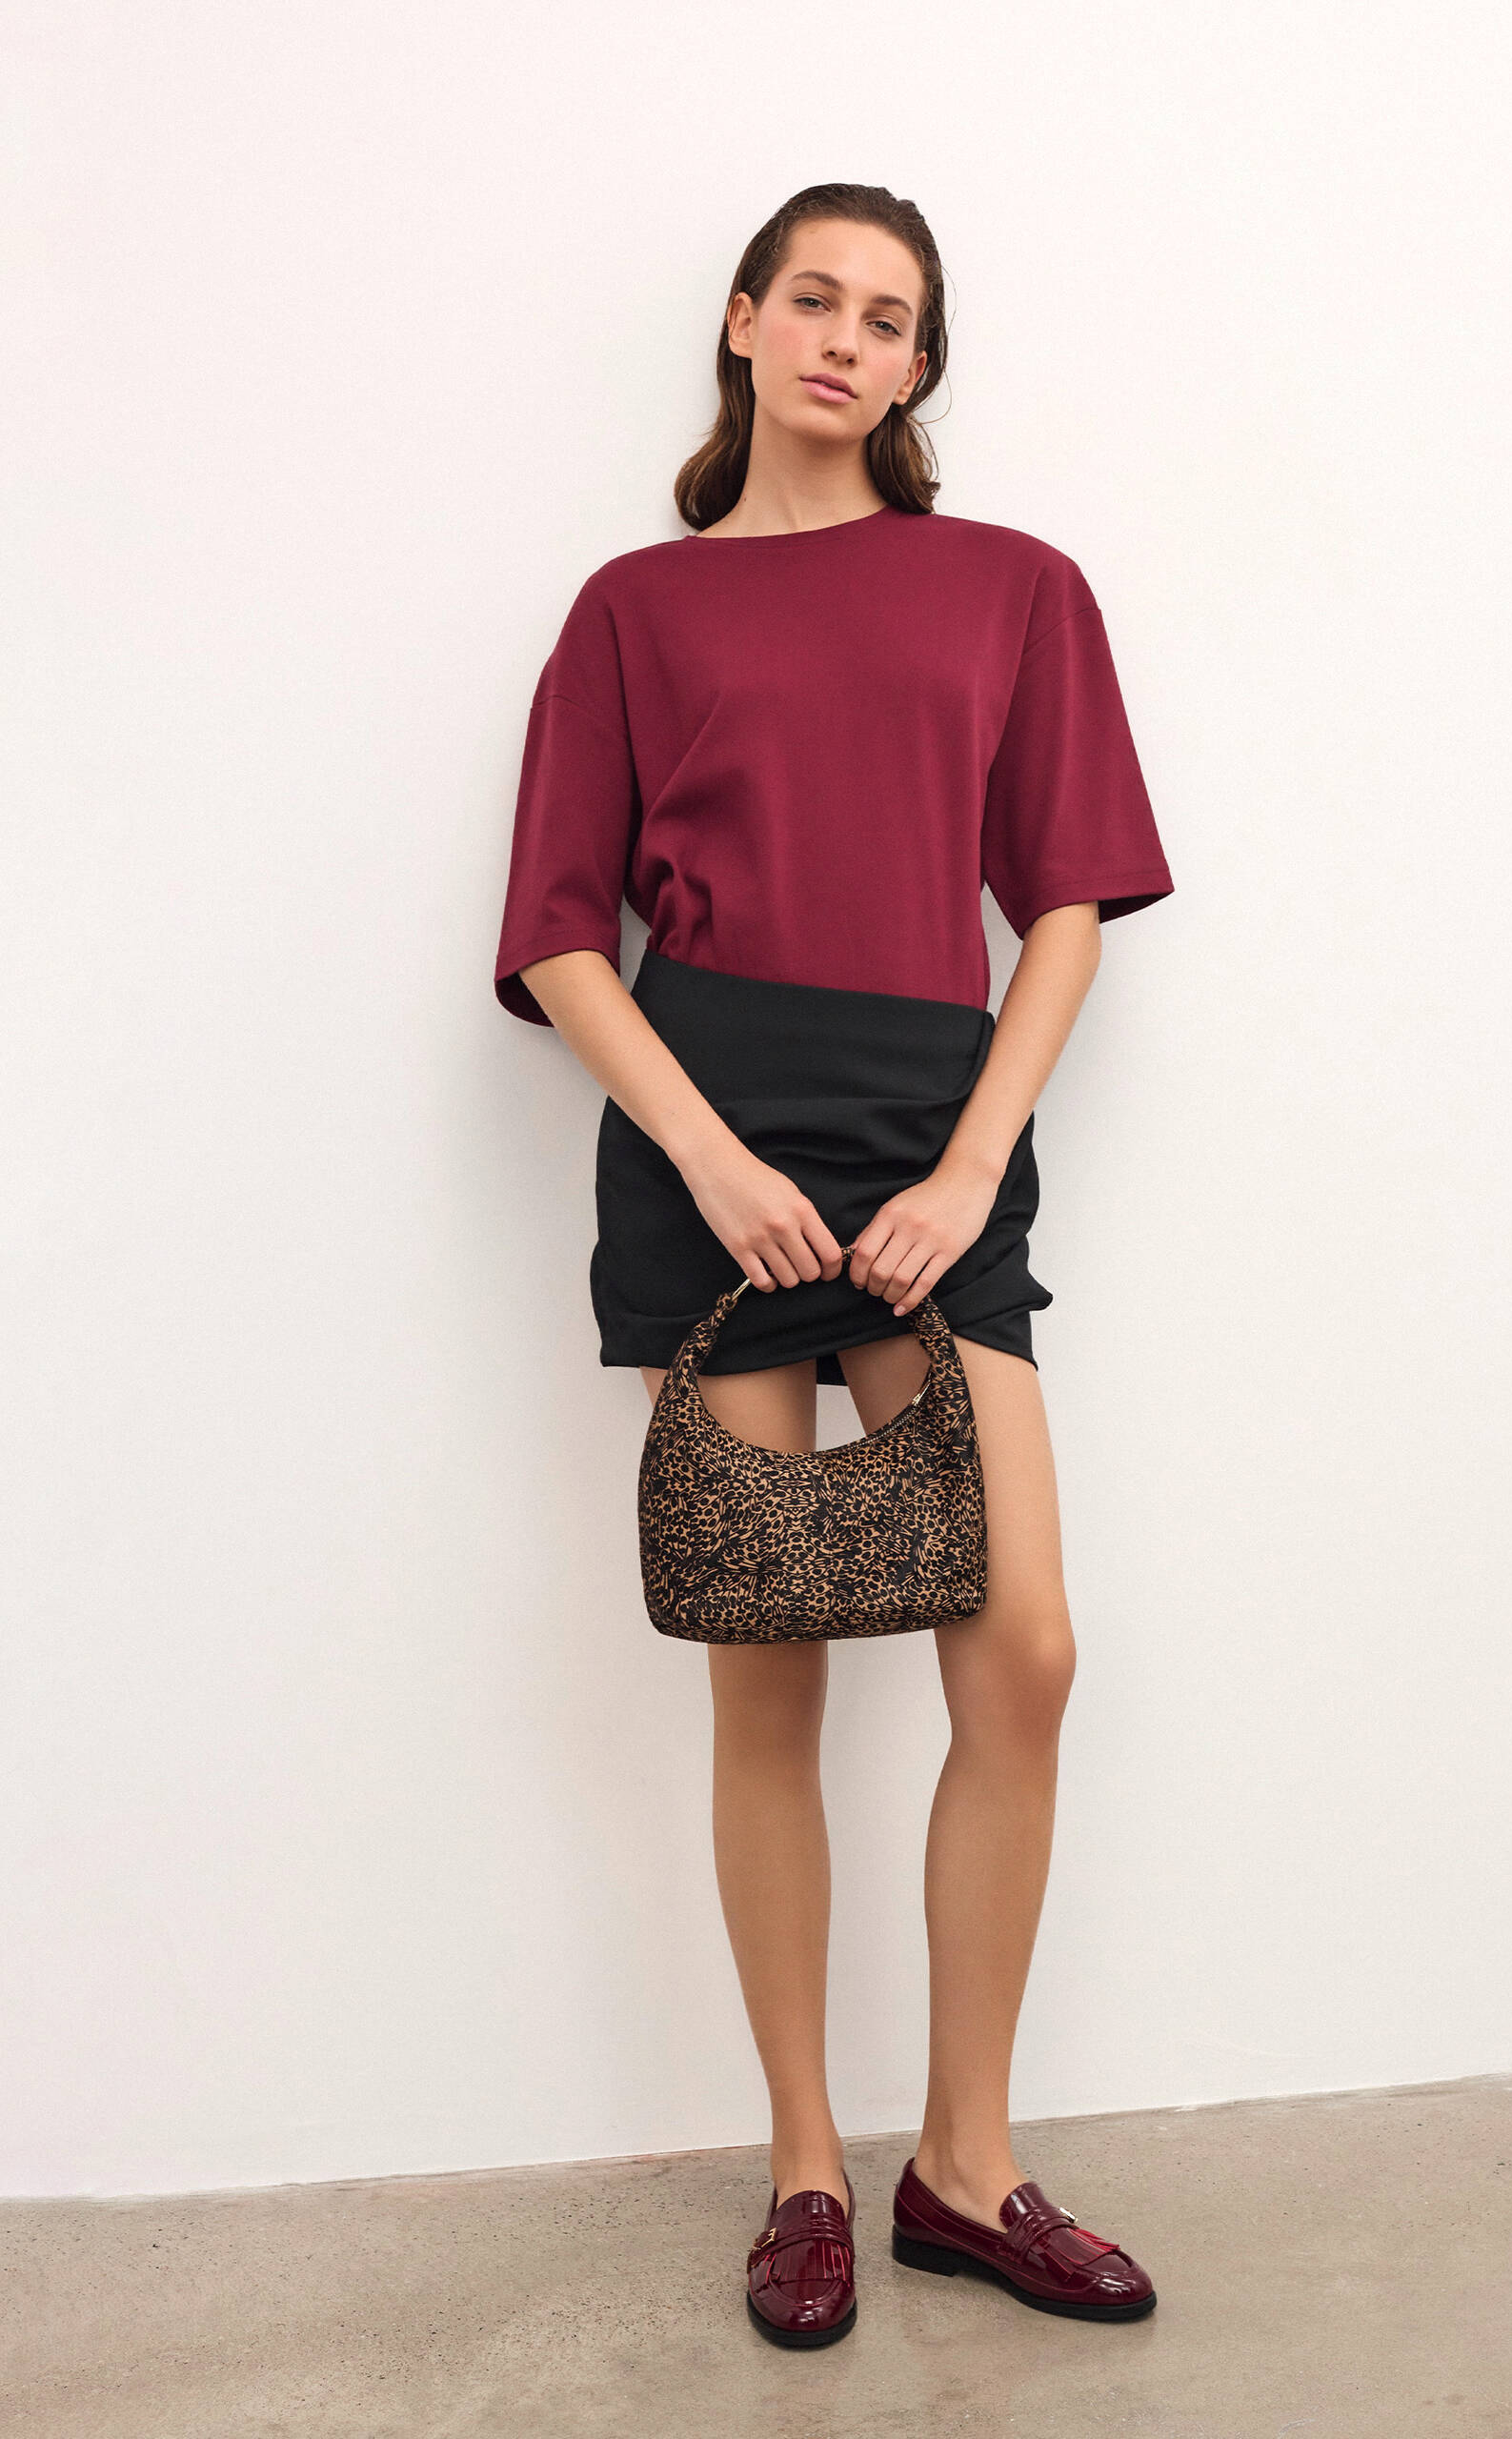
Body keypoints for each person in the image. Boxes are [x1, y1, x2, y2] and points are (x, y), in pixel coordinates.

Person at [493, 182, 1174, 2348]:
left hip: (925, 1151)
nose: (845, 340)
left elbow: (1061, 907)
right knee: (764, 1657)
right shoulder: (634, 608)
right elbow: (556, 934)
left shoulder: (1014, 588)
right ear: (742, 320)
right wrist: (704, 1157)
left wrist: (974, 1169)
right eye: (814, 298)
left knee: (1023, 1646)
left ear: (916, 366)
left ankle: (964, 2165)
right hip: (706, 1143)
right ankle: (803, 2158)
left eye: (889, 318)